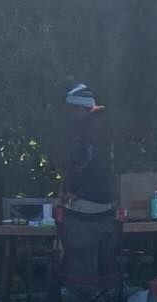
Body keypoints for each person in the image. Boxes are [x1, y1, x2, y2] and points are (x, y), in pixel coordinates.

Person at [62, 82, 115, 214]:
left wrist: (75, 192)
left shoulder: (88, 131)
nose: (71, 113)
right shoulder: (100, 127)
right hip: (102, 198)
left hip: (88, 201)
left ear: (81, 108)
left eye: (73, 108)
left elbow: (93, 164)